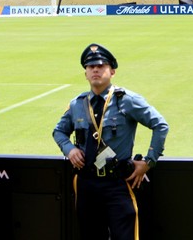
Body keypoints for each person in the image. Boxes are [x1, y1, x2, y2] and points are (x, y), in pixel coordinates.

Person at [53, 44, 169, 240]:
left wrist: (149, 162)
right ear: (85, 74)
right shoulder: (77, 104)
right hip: (86, 183)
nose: (95, 70)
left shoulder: (127, 100)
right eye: (90, 67)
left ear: (112, 71)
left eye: (101, 66)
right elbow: (59, 132)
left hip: (117, 183)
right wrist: (69, 149)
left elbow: (160, 125)